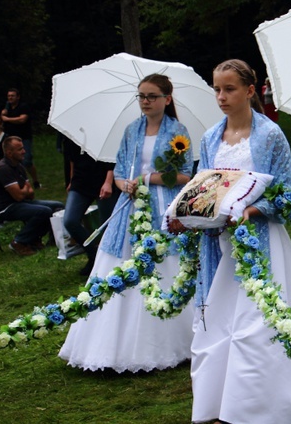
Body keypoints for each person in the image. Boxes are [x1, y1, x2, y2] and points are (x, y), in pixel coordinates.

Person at [174, 59, 291, 423]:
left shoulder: (269, 136)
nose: (221, 96)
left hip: (259, 240)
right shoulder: (210, 136)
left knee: (256, 321)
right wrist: (190, 213)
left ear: (250, 90)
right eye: (216, 89)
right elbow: (206, 186)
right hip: (217, 242)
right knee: (216, 318)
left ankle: (256, 406)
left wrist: (253, 210)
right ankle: (217, 404)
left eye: (229, 89)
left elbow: (284, 192)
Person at [58, 73, 195, 372]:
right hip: (130, 206)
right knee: (121, 262)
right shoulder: (132, 130)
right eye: (141, 96)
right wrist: (123, 184)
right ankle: (110, 345)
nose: (145, 102)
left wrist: (148, 178)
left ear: (166, 99)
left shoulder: (178, 132)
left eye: (151, 96)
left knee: (164, 264)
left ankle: (171, 341)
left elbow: (185, 174)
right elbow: (119, 168)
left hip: (162, 207)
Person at [0, 136, 63, 256]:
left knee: (57, 206)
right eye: (20, 149)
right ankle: (19, 241)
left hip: (21, 203)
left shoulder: (19, 166)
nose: (24, 151)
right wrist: (25, 190)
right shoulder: (3, 169)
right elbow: (19, 196)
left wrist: (24, 191)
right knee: (43, 211)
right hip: (6, 207)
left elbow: (31, 193)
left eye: (23, 148)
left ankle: (46, 240)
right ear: (9, 152)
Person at [61, 136, 119, 275]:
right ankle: (94, 254)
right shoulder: (70, 135)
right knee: (70, 221)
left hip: (103, 180)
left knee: (107, 225)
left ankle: (109, 262)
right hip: (80, 183)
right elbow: (71, 161)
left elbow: (112, 160)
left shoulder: (104, 133)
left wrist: (108, 182)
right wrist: (70, 181)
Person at [1, 88, 41, 188]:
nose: (10, 97)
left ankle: (35, 181)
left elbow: (22, 119)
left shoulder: (23, 107)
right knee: (12, 160)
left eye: (12, 96)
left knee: (26, 160)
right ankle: (18, 182)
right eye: (9, 96)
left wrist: (7, 119)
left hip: (24, 137)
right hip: (10, 138)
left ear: (18, 97)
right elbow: (2, 116)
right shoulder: (7, 107)